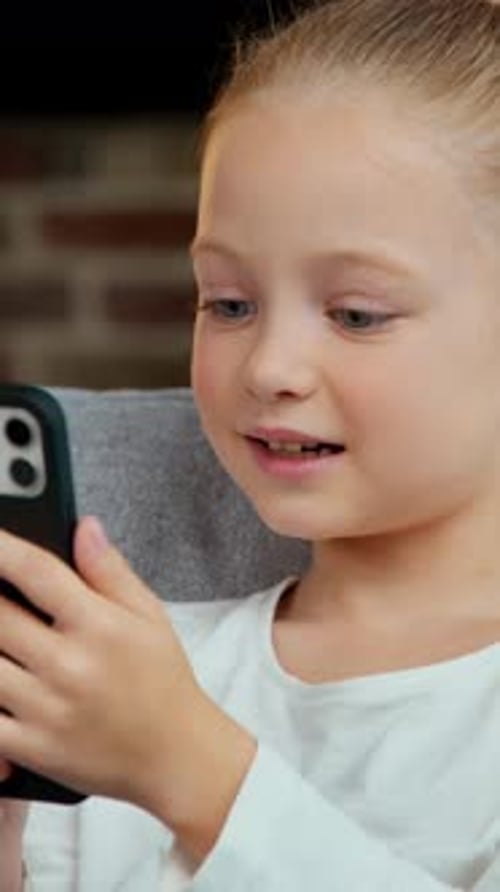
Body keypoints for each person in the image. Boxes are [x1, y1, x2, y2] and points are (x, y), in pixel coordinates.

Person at [2, 0, 500, 888]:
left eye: (356, 315)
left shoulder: (158, 722)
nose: (269, 367)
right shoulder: (140, 671)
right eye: (229, 304)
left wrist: (190, 772)